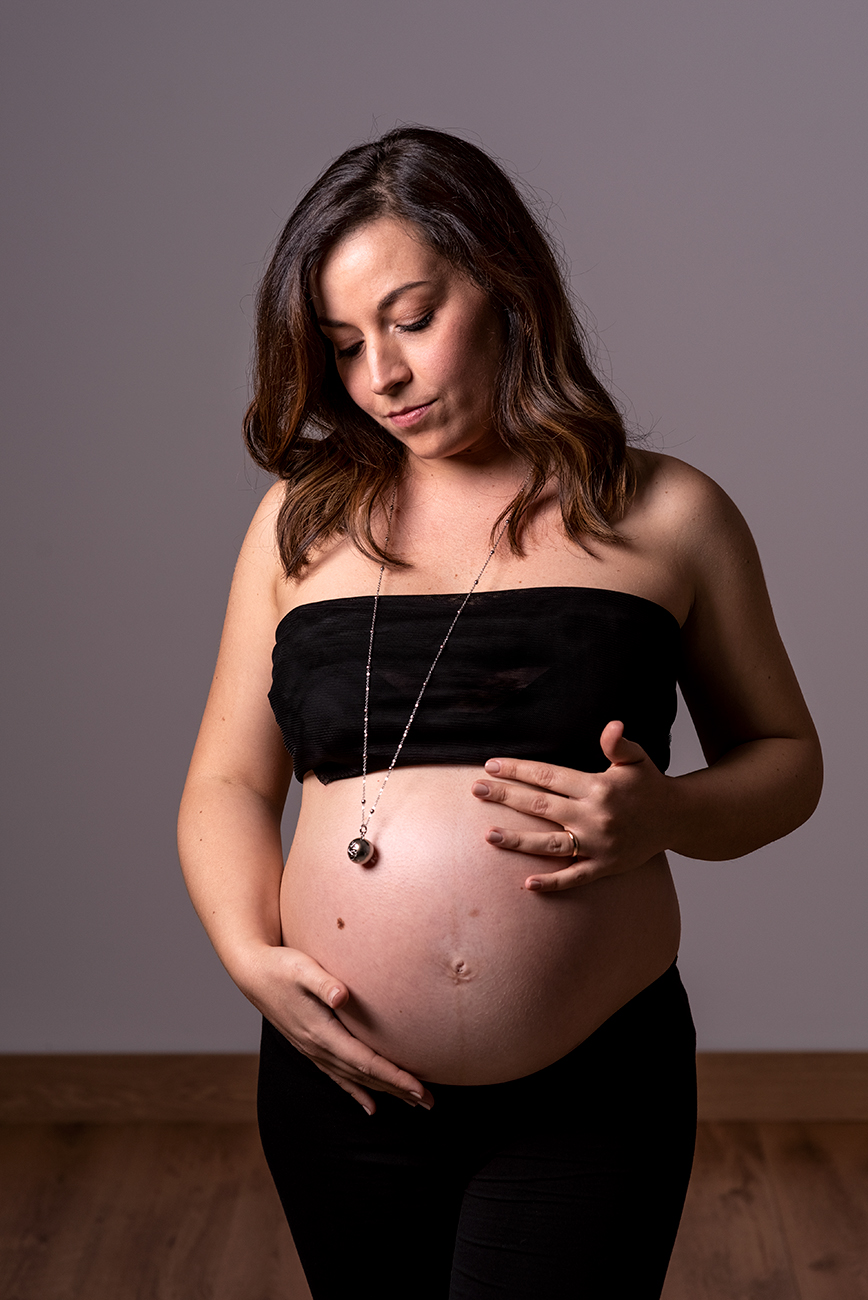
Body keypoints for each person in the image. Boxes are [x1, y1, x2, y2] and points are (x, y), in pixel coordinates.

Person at [177, 126, 822, 1299]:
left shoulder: (670, 513)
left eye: (411, 317)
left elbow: (787, 761)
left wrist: (662, 814)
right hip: (340, 1078)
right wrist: (245, 954)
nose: (381, 374)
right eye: (343, 342)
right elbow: (227, 779)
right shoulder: (297, 526)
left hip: (593, 1080)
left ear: (504, 284)